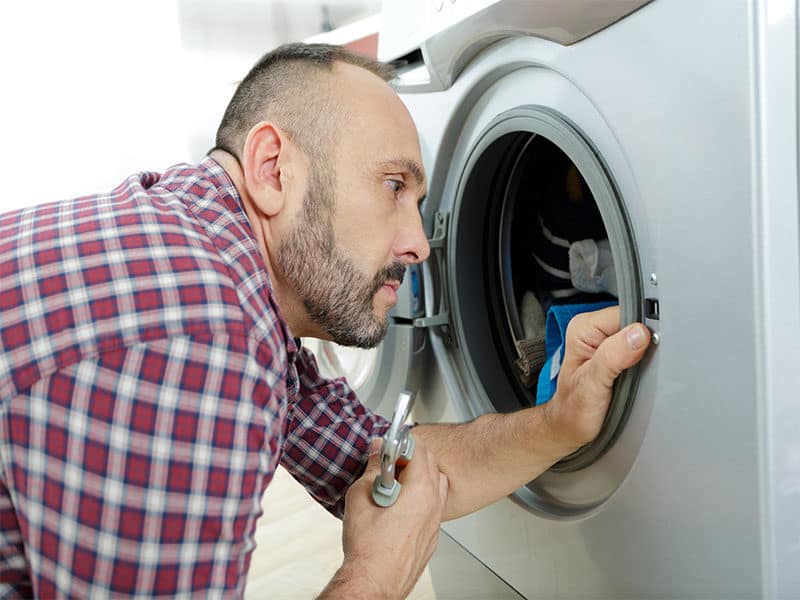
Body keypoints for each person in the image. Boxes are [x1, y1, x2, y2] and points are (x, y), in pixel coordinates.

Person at [0, 42, 650, 598]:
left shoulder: (209, 253)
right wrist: (378, 572)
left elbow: (383, 465)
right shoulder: (199, 339)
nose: (421, 245)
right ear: (272, 168)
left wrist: (560, 422)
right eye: (394, 186)